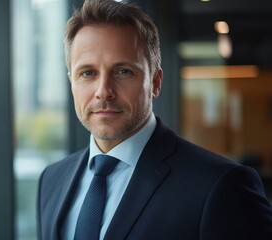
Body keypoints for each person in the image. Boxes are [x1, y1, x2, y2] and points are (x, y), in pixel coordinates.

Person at [36, 0, 272, 239]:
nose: (103, 91)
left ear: (156, 82)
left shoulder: (222, 186)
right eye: (87, 73)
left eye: (123, 71)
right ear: (71, 82)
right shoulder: (51, 180)